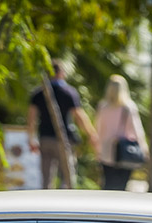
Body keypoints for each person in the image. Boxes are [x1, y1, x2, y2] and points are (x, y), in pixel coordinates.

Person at [27, 59, 100, 189]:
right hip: (64, 139)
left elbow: (31, 118)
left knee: (46, 179)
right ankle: (64, 206)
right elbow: (79, 117)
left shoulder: (38, 93)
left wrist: (31, 139)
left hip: (45, 138)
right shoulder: (68, 92)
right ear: (61, 73)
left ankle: (47, 205)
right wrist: (91, 134)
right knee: (66, 178)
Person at [95, 74, 149, 191]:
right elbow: (137, 130)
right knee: (121, 186)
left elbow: (99, 129)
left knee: (108, 184)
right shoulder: (128, 107)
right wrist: (144, 147)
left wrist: (98, 149)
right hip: (124, 151)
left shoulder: (103, 106)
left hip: (106, 150)